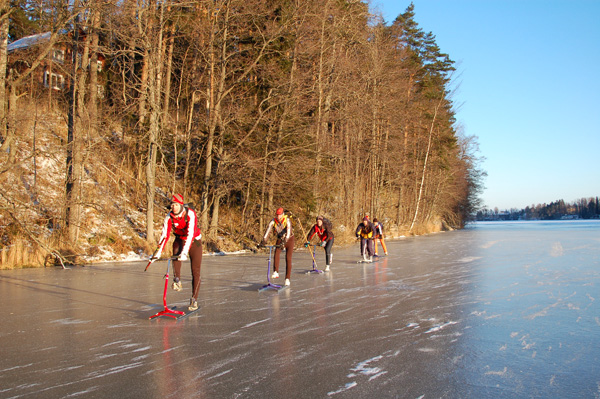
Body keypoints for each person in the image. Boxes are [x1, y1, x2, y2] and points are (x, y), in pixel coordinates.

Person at [150, 194, 203, 311]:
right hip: (180, 239)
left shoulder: (190, 214)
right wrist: (157, 253)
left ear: (180, 205)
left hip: (194, 241)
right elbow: (164, 235)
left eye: (175, 205)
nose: (173, 207)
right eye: (172, 205)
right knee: (175, 251)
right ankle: (177, 280)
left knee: (196, 271)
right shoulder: (169, 217)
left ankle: (194, 299)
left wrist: (184, 253)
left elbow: (190, 235)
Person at [261, 207, 295, 286]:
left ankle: (287, 279)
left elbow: (289, 231)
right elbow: (268, 231)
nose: (278, 217)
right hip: (280, 238)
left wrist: (285, 241)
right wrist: (263, 241)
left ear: (283, 215)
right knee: (276, 253)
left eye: (280, 215)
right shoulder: (273, 221)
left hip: (289, 239)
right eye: (277, 215)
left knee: (288, 258)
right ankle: (276, 271)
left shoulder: (287, 220)